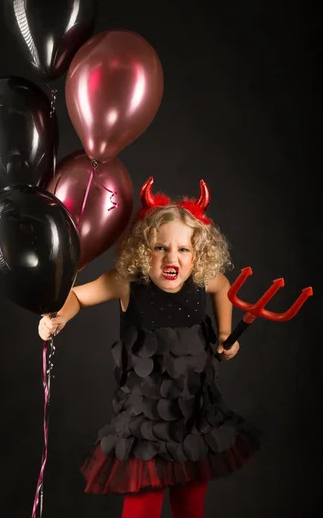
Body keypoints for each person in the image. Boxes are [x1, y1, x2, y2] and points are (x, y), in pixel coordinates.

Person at [38, 177, 260, 518]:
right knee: (142, 507)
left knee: (191, 505)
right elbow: (77, 296)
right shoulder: (127, 282)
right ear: (144, 249)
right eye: (161, 248)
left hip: (194, 416)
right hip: (144, 423)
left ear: (198, 254)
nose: (173, 257)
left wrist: (225, 334)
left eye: (184, 249)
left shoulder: (201, 281)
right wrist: (58, 318)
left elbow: (224, 286)